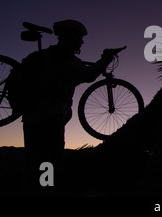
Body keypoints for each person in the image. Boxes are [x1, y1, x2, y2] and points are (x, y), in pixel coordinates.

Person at [22, 19, 114, 188]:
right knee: (49, 159)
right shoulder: (62, 56)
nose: (82, 41)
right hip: (49, 116)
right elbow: (88, 75)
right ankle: (45, 190)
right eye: (80, 37)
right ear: (71, 37)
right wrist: (107, 59)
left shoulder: (50, 55)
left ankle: (35, 187)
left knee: (35, 158)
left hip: (32, 114)